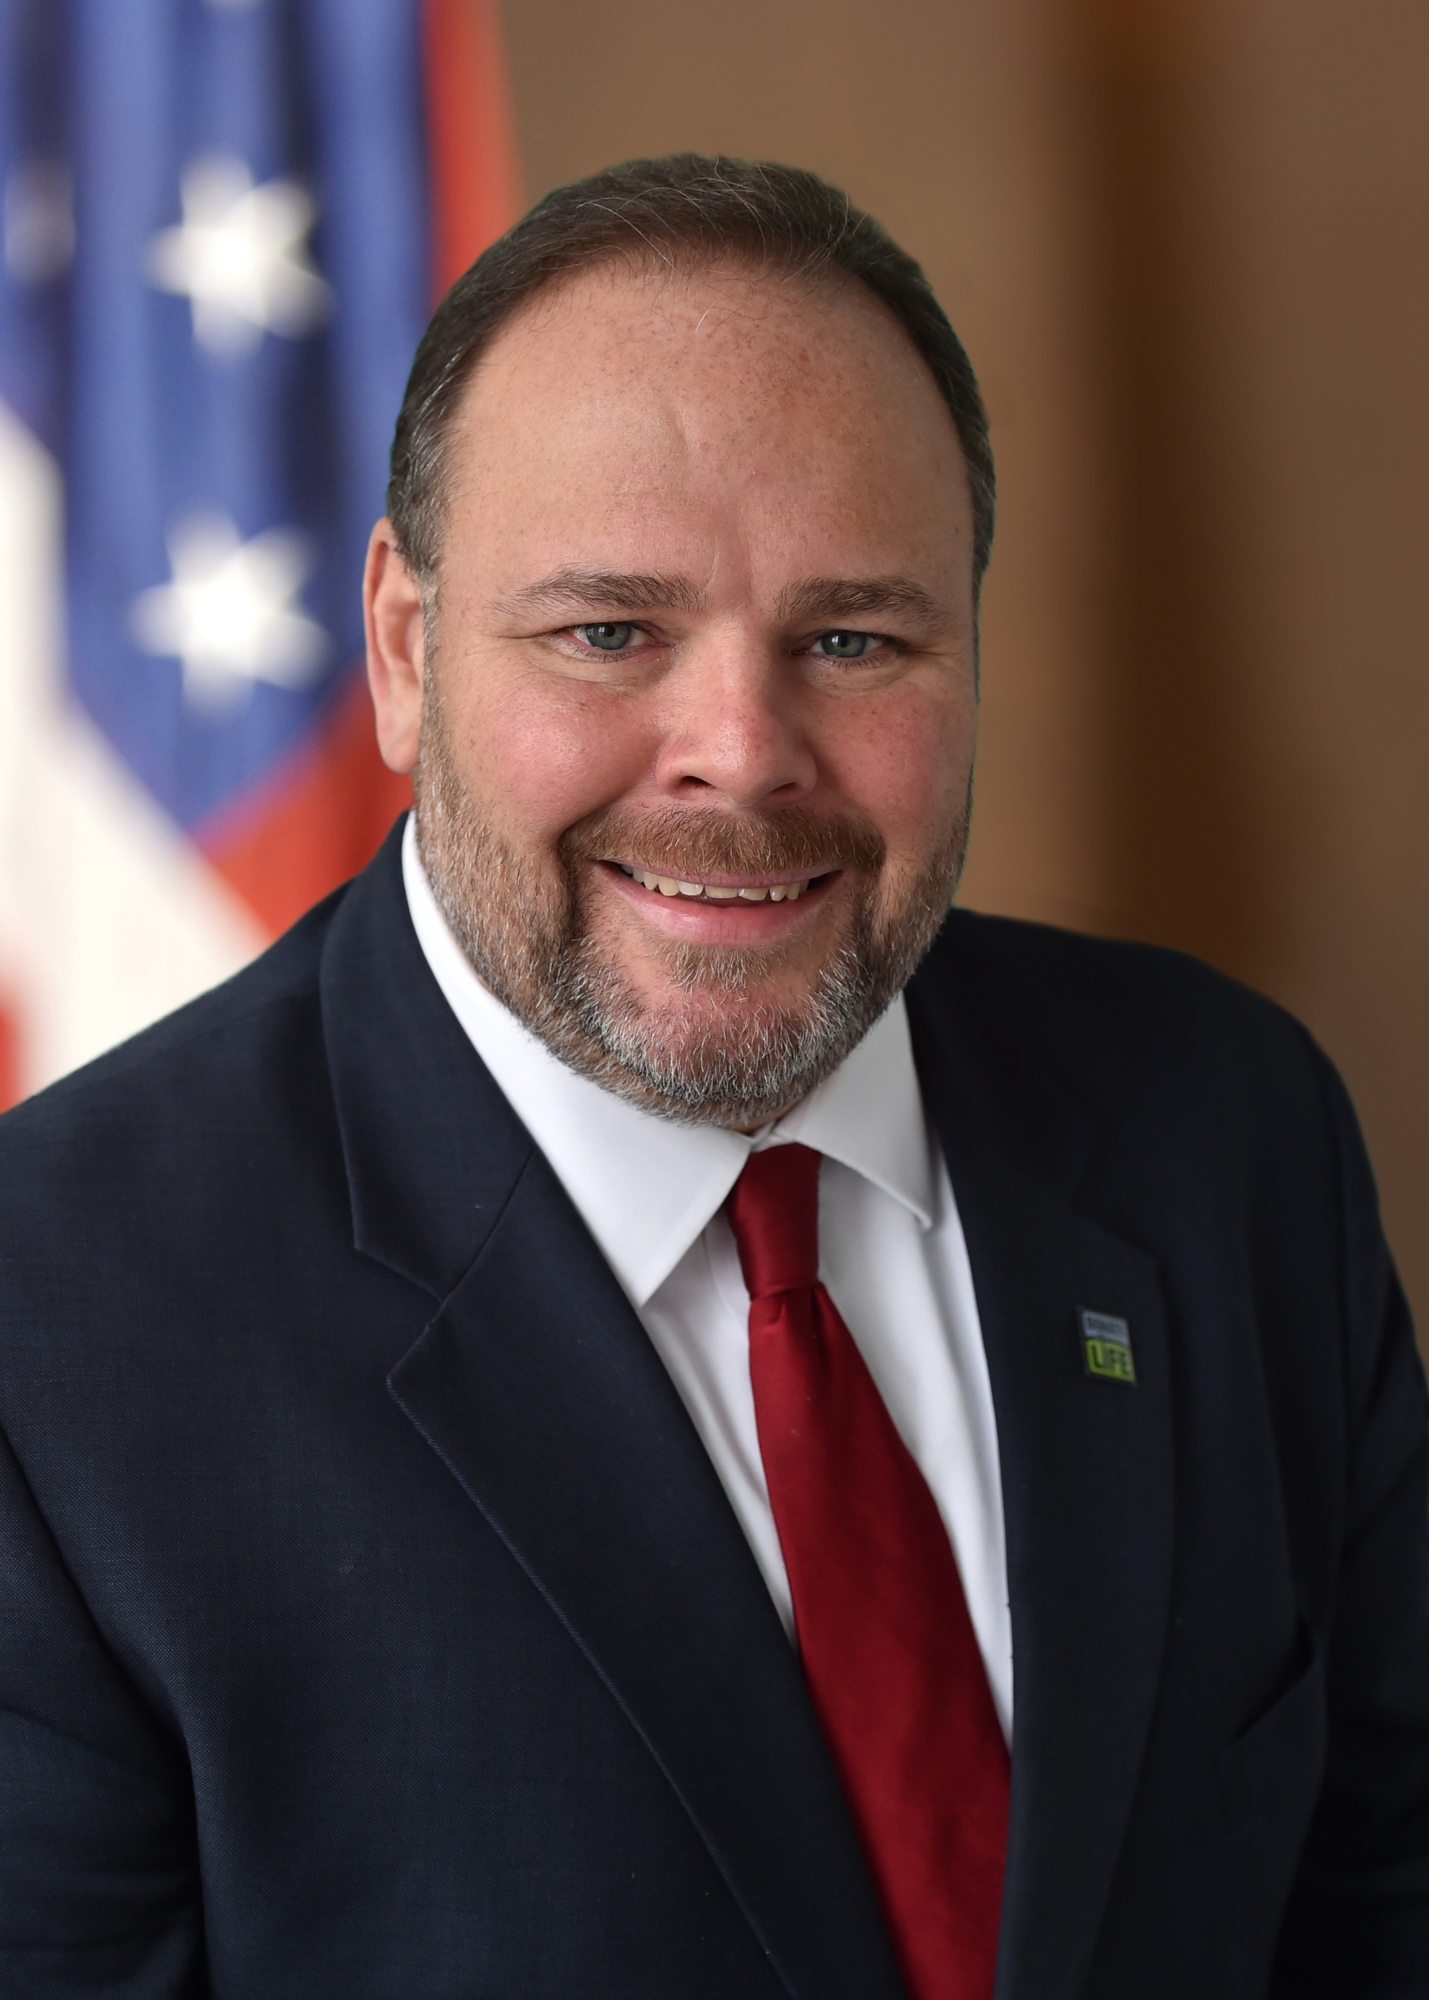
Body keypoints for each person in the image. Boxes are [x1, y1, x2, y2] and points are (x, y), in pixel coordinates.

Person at [1, 154, 1426, 2000]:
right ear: (406, 652)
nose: (740, 755)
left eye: (854, 638)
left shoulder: (1226, 1130)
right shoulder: (55, 1334)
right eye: (608, 632)